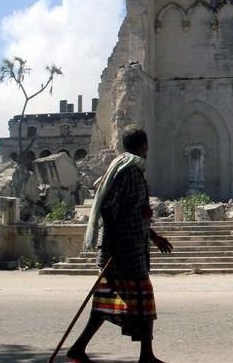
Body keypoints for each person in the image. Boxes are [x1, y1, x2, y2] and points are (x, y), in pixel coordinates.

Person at [67, 125, 173, 363]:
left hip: (129, 250)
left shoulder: (128, 169)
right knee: (144, 298)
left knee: (104, 302)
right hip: (124, 254)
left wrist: (154, 237)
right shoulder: (128, 172)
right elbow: (108, 207)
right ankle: (146, 356)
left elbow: (134, 213)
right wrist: (115, 245)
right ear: (143, 146)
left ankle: (78, 348)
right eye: (146, 146)